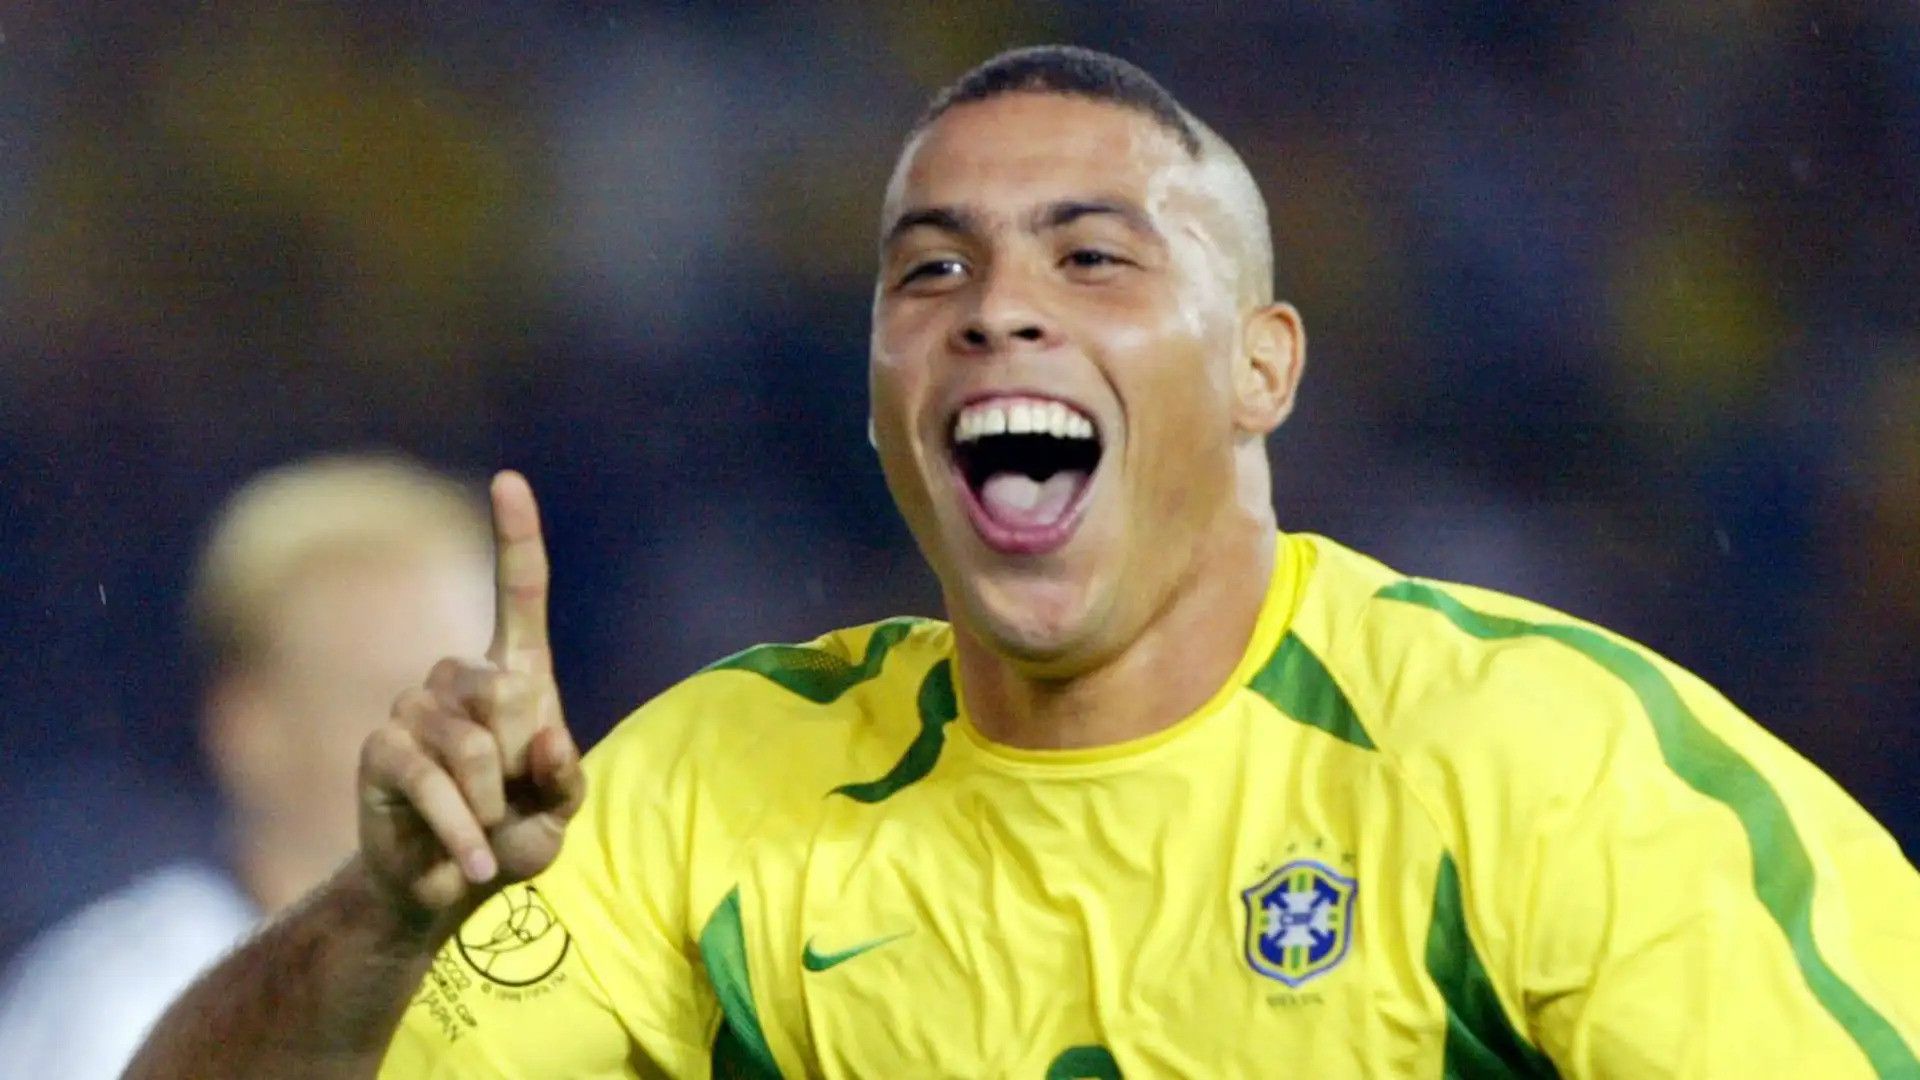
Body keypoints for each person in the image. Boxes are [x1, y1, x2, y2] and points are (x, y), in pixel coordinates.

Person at [128, 47, 1919, 1078]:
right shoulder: (706, 801)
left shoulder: (1543, 770)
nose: (996, 310)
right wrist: (383, 918)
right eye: (932, 270)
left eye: (1092, 258)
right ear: (877, 394)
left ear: (1262, 368)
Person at [0, 456, 492, 1078]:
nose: (458, 745)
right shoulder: (115, 1001)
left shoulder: (559, 967)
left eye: (472, 702)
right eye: (390, 702)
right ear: (250, 727)